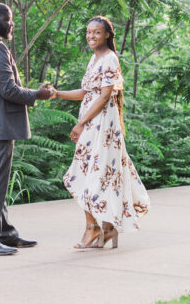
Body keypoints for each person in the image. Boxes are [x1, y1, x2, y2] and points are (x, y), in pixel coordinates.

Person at [0, 1, 55, 256]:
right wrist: (37, 94)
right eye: (8, 19)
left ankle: (5, 233)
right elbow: (8, 90)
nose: (11, 23)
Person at [54, 15, 150, 250]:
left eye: (96, 32)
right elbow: (87, 93)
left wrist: (81, 123)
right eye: (88, 32)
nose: (91, 36)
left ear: (107, 34)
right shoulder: (95, 58)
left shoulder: (109, 59)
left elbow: (105, 95)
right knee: (93, 175)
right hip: (92, 124)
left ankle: (95, 228)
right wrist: (58, 93)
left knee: (90, 175)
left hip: (102, 126)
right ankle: (105, 229)